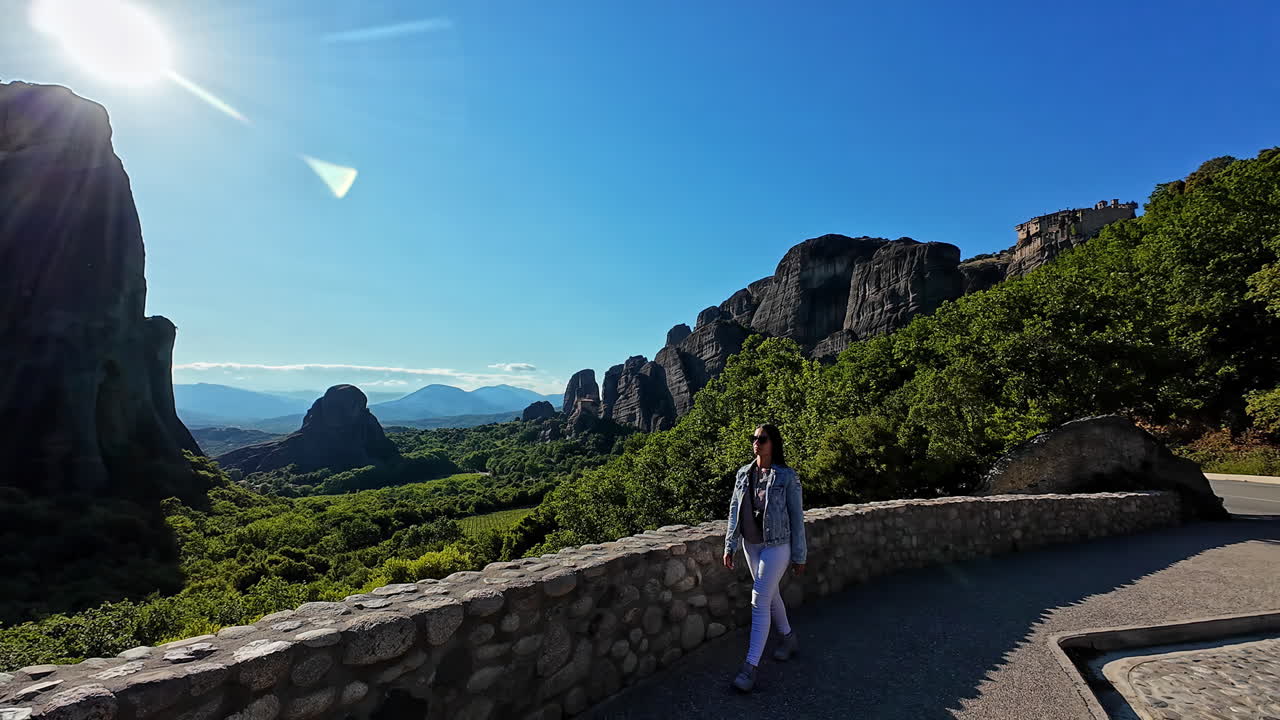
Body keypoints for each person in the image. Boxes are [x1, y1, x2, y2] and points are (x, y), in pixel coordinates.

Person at [722, 423, 807, 692]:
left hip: (777, 545)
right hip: (751, 544)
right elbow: (734, 510)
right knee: (770, 596)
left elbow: (797, 517)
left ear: (773, 443)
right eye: (754, 438)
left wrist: (799, 555)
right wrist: (729, 545)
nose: (757, 442)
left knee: (759, 600)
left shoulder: (786, 476)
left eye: (763, 438)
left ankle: (750, 667)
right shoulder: (743, 474)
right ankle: (789, 638)